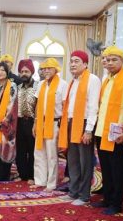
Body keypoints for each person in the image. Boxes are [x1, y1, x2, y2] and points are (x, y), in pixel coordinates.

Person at [92, 46, 123, 215]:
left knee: (118, 169)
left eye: (114, 60)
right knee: (105, 167)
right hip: (102, 130)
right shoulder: (106, 79)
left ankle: (116, 203)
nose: (110, 63)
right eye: (108, 60)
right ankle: (107, 197)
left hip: (117, 133)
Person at [58, 50, 101, 205]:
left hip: (83, 124)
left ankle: (84, 195)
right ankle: (73, 191)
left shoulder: (93, 80)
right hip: (71, 123)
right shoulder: (73, 81)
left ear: (85, 64)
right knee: (73, 160)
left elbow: (93, 107)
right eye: (71, 61)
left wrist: (89, 130)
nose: (73, 64)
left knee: (85, 161)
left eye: (77, 61)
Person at [31, 58, 68, 192]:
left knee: (52, 154)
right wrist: (35, 122)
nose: (46, 71)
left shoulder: (63, 84)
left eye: (49, 68)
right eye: (44, 68)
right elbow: (37, 104)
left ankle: (51, 183)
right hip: (41, 122)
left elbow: (65, 106)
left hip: (54, 123)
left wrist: (64, 127)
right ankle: (40, 180)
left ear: (56, 69)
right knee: (39, 152)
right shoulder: (40, 84)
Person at [15, 59, 38, 184]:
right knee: (20, 150)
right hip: (19, 122)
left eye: (27, 71)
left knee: (32, 150)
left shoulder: (38, 86)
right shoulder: (17, 87)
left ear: (32, 72)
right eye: (22, 71)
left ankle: (31, 176)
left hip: (32, 122)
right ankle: (22, 174)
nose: (24, 74)